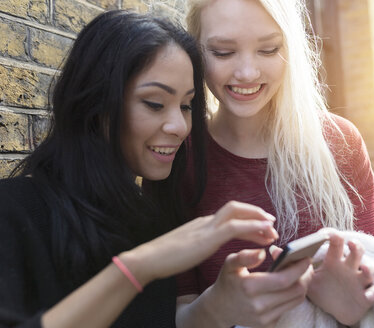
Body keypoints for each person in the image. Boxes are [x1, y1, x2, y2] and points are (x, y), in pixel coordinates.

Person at [0, 10, 281, 327]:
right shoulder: (13, 211)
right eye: (155, 103)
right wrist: (136, 269)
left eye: (187, 106)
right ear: (97, 103)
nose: (179, 126)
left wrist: (221, 300)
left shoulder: (148, 220)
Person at [174, 0, 374, 327]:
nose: (247, 73)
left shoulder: (341, 143)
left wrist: (352, 305)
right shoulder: (179, 156)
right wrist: (218, 304)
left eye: (269, 50)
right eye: (223, 53)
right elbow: (176, 315)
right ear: (195, 51)